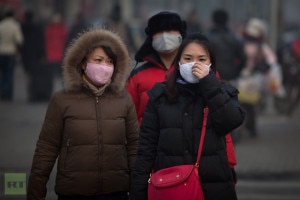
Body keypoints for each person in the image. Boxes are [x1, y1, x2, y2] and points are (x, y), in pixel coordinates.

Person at [27, 28, 140, 200]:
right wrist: (36, 191)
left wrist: (138, 190)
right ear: (82, 63)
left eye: (110, 62)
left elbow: (134, 146)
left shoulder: (124, 100)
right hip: (74, 192)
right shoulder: (62, 100)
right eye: (98, 60)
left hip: (115, 192)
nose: (104, 66)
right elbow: (46, 148)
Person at [130, 33, 246, 200]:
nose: (194, 64)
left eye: (201, 59)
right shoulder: (160, 97)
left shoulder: (223, 93)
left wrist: (208, 84)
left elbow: (231, 121)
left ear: (211, 64)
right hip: (171, 187)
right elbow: (146, 150)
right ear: (178, 63)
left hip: (213, 188)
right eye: (188, 58)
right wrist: (138, 192)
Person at [126, 11, 187, 124]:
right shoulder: (138, 76)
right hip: (147, 140)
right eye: (159, 32)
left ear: (180, 35)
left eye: (169, 30)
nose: (164, 36)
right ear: (151, 38)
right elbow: (127, 117)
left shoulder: (195, 70)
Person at [240, 18, 285, 137]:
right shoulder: (244, 43)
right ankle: (249, 128)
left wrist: (265, 67)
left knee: (250, 103)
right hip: (244, 75)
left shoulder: (260, 45)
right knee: (245, 103)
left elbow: (272, 60)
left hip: (253, 77)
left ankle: (251, 128)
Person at [206, 9, 246, 84]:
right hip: (230, 75)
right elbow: (243, 58)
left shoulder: (207, 38)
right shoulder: (234, 38)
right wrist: (236, 73)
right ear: (227, 20)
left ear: (213, 20)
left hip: (211, 75)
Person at [20, 10, 47, 102]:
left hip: (25, 55)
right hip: (35, 55)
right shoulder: (37, 27)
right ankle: (33, 94)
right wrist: (43, 54)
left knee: (28, 75)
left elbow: (20, 41)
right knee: (34, 75)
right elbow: (40, 42)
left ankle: (29, 93)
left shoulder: (22, 27)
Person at [0, 6, 23, 101]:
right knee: (9, 74)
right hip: (10, 52)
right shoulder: (15, 25)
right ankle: (8, 94)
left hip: (1, 52)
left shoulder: (1, 25)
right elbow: (19, 40)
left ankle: (2, 92)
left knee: (1, 74)